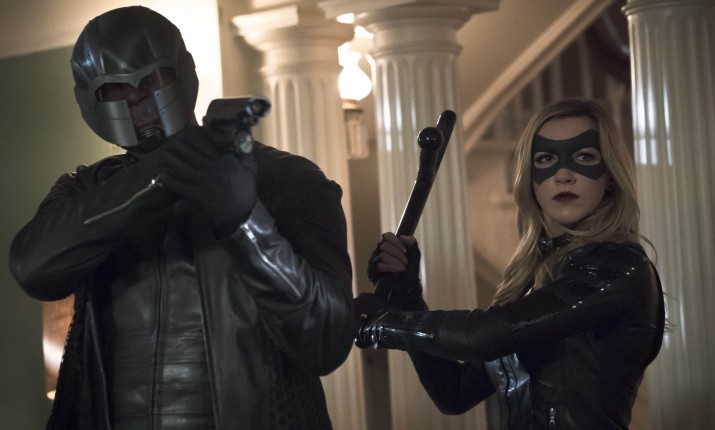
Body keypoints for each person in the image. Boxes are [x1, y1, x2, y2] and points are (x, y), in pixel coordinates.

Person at [9, 6, 354, 430]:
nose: (137, 102)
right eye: (115, 90)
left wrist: (245, 221)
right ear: (92, 100)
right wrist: (157, 176)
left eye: (150, 80)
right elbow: (32, 268)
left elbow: (328, 339)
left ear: (179, 72)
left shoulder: (287, 178)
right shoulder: (84, 190)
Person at [355, 99, 665, 429]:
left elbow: (485, 335)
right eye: (546, 159)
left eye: (584, 157)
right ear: (530, 178)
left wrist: (382, 324)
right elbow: (455, 393)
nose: (563, 175)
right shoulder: (533, 278)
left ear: (610, 177)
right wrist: (407, 295)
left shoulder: (618, 267)